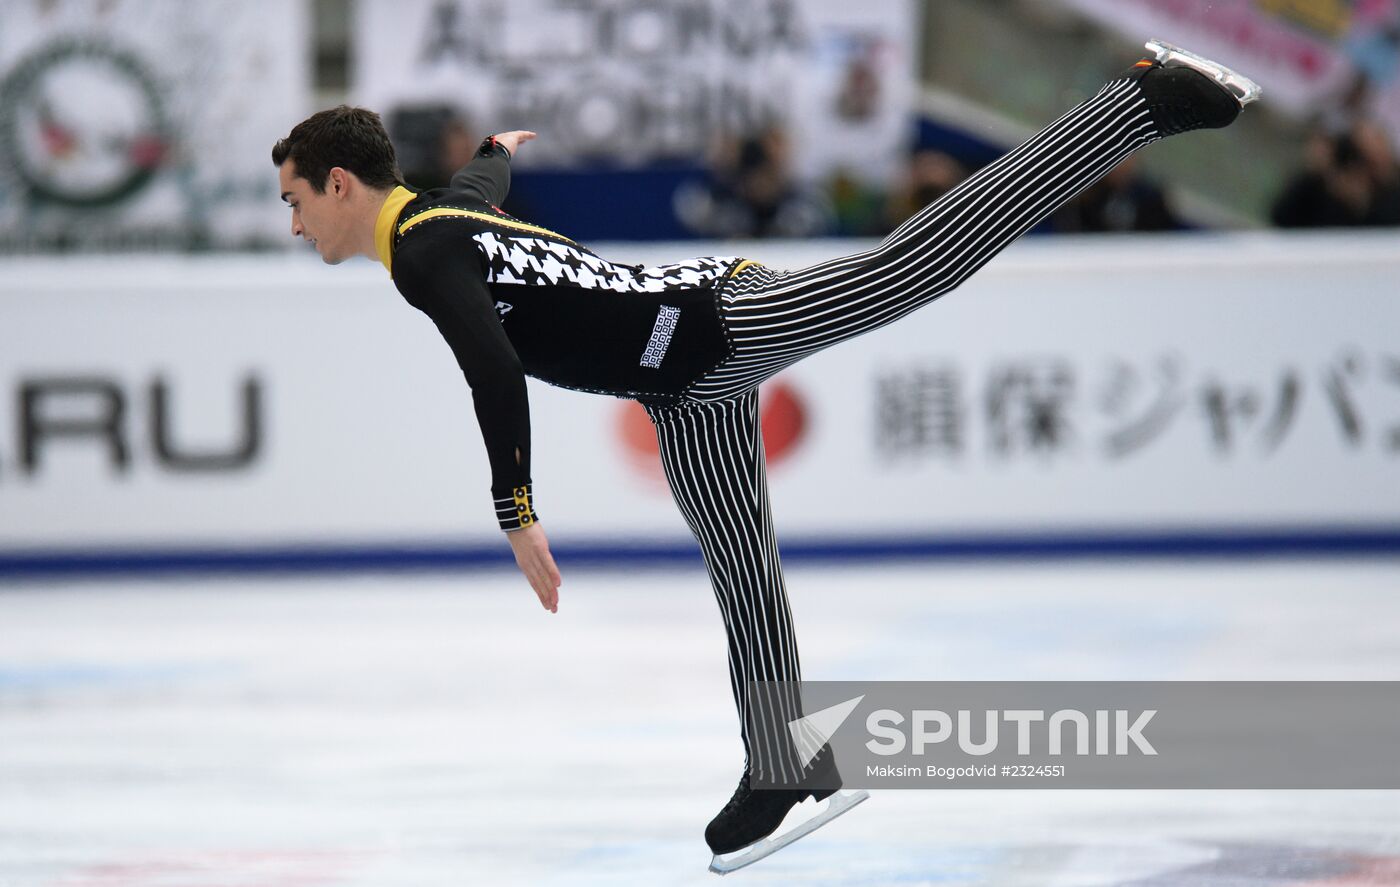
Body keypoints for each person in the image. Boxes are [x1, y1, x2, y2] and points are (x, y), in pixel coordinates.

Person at [271, 40, 1258, 872]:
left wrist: (515, 509)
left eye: (295, 199)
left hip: (715, 320)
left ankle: (1135, 106)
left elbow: (491, 367)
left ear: (341, 184)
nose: (293, 221)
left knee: (909, 264)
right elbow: (481, 186)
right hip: (676, 383)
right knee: (742, 570)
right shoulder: (445, 218)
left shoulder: (426, 255)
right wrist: (494, 148)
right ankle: (782, 762)